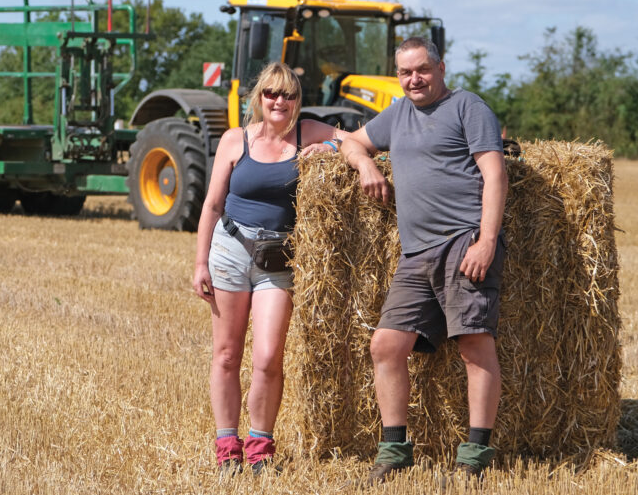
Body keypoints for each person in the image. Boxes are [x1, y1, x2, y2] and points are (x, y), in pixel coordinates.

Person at [339, 36, 508, 482]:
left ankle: (474, 455)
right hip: (415, 253)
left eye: (422, 70)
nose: (414, 79)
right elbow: (351, 142)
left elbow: (495, 173)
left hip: (462, 242)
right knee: (386, 345)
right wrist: (367, 165)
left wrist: (486, 241)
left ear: (441, 68)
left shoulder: (467, 107)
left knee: (474, 344)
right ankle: (394, 449)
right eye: (405, 73)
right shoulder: (398, 115)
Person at [192, 61, 348, 476]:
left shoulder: (309, 131)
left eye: (289, 95)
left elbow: (358, 142)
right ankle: (228, 446)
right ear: (258, 98)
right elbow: (211, 204)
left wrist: (330, 148)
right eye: (271, 94)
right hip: (229, 251)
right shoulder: (234, 139)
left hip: (277, 260)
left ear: (298, 100)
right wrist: (199, 262)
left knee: (267, 358)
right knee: (226, 355)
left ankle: (260, 448)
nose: (280, 101)